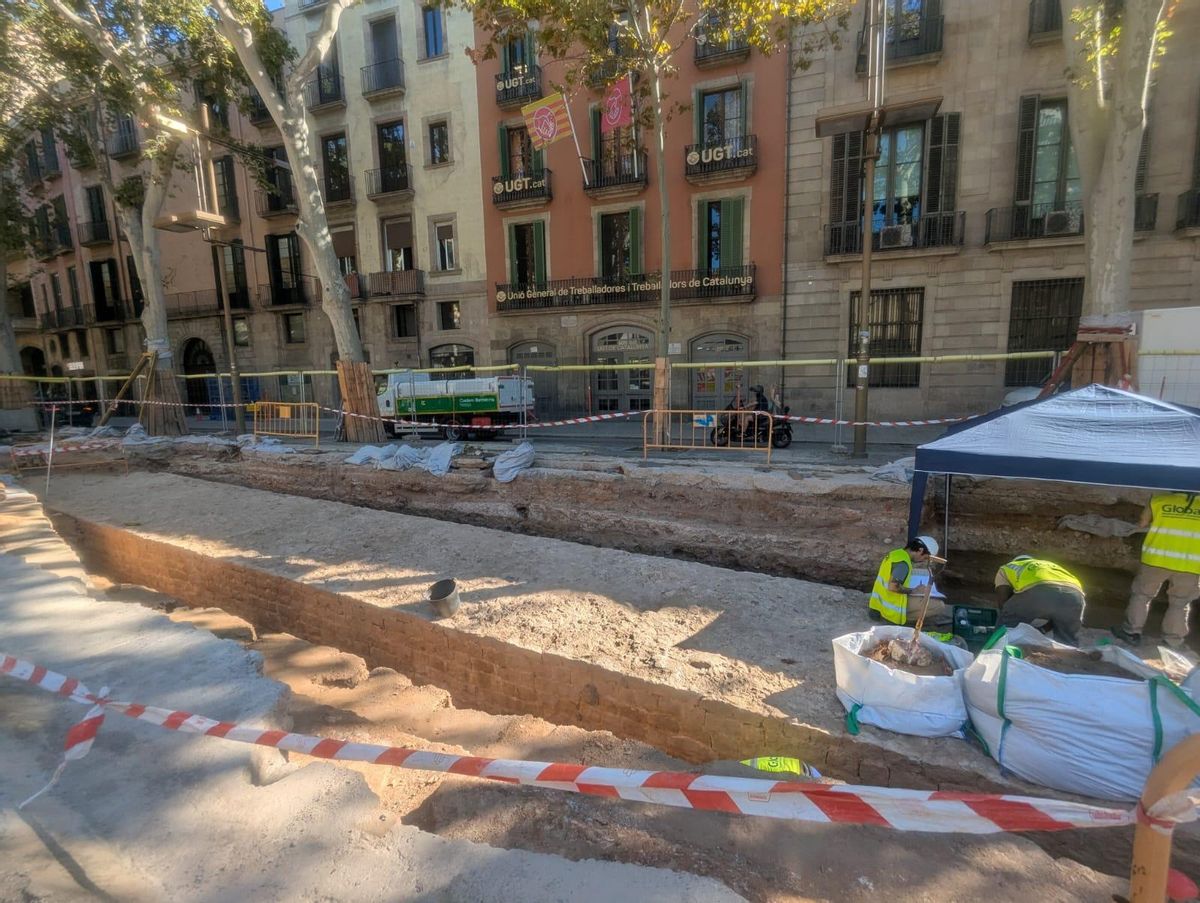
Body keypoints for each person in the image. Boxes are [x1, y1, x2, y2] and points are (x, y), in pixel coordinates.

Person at [1113, 492, 1200, 648]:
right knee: (1179, 604)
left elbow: (1142, 523)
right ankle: (1172, 641)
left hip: (1156, 559)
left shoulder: (1159, 499)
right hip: (1191, 564)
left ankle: (1131, 633)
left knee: (1142, 596)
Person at [994, 555, 1086, 646]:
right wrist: (1043, 629)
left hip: (1039, 588)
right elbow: (1059, 616)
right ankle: (1069, 658)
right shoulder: (1049, 565)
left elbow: (1003, 603)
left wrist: (1011, 620)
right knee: (1067, 640)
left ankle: (998, 651)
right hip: (1075, 594)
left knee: (1007, 623)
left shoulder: (1006, 568)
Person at [868, 535, 947, 625]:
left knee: (921, 590)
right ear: (920, 550)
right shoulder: (903, 564)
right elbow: (893, 587)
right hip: (890, 609)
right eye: (925, 557)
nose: (923, 561)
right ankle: (906, 620)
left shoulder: (896, 554)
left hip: (878, 604)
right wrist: (913, 591)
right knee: (939, 606)